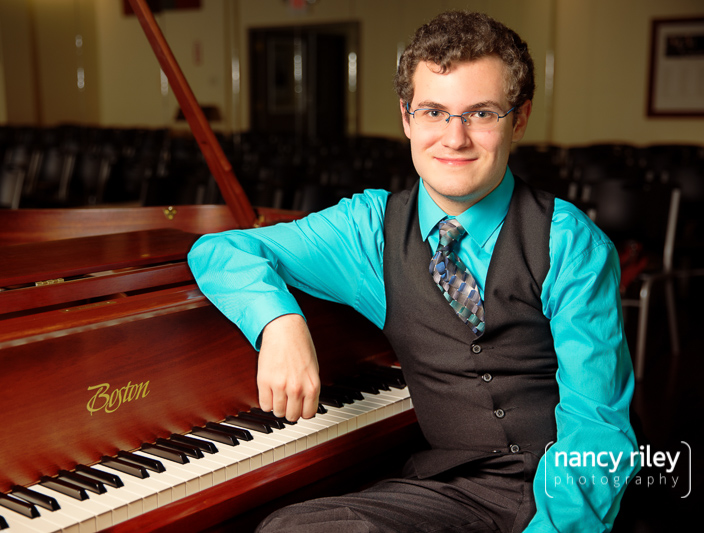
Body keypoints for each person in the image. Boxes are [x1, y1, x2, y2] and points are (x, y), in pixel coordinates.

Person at [188, 10, 638, 532]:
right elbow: (219, 250)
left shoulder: (569, 242)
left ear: (518, 120)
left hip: (565, 497)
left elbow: (597, 429)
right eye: (433, 112)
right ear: (406, 118)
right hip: (457, 493)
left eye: (481, 113)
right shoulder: (369, 230)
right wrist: (279, 323)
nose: (455, 138)